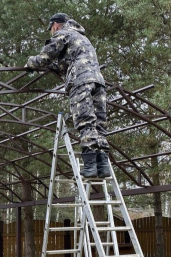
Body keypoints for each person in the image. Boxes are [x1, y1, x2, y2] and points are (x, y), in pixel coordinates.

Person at [26, 12, 110, 178]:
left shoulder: (64, 33)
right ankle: (103, 166)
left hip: (81, 80)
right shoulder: (82, 38)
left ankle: (90, 167)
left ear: (55, 25)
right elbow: (65, 63)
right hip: (98, 81)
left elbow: (45, 56)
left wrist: (31, 62)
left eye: (51, 29)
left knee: (85, 121)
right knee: (100, 125)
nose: (52, 31)